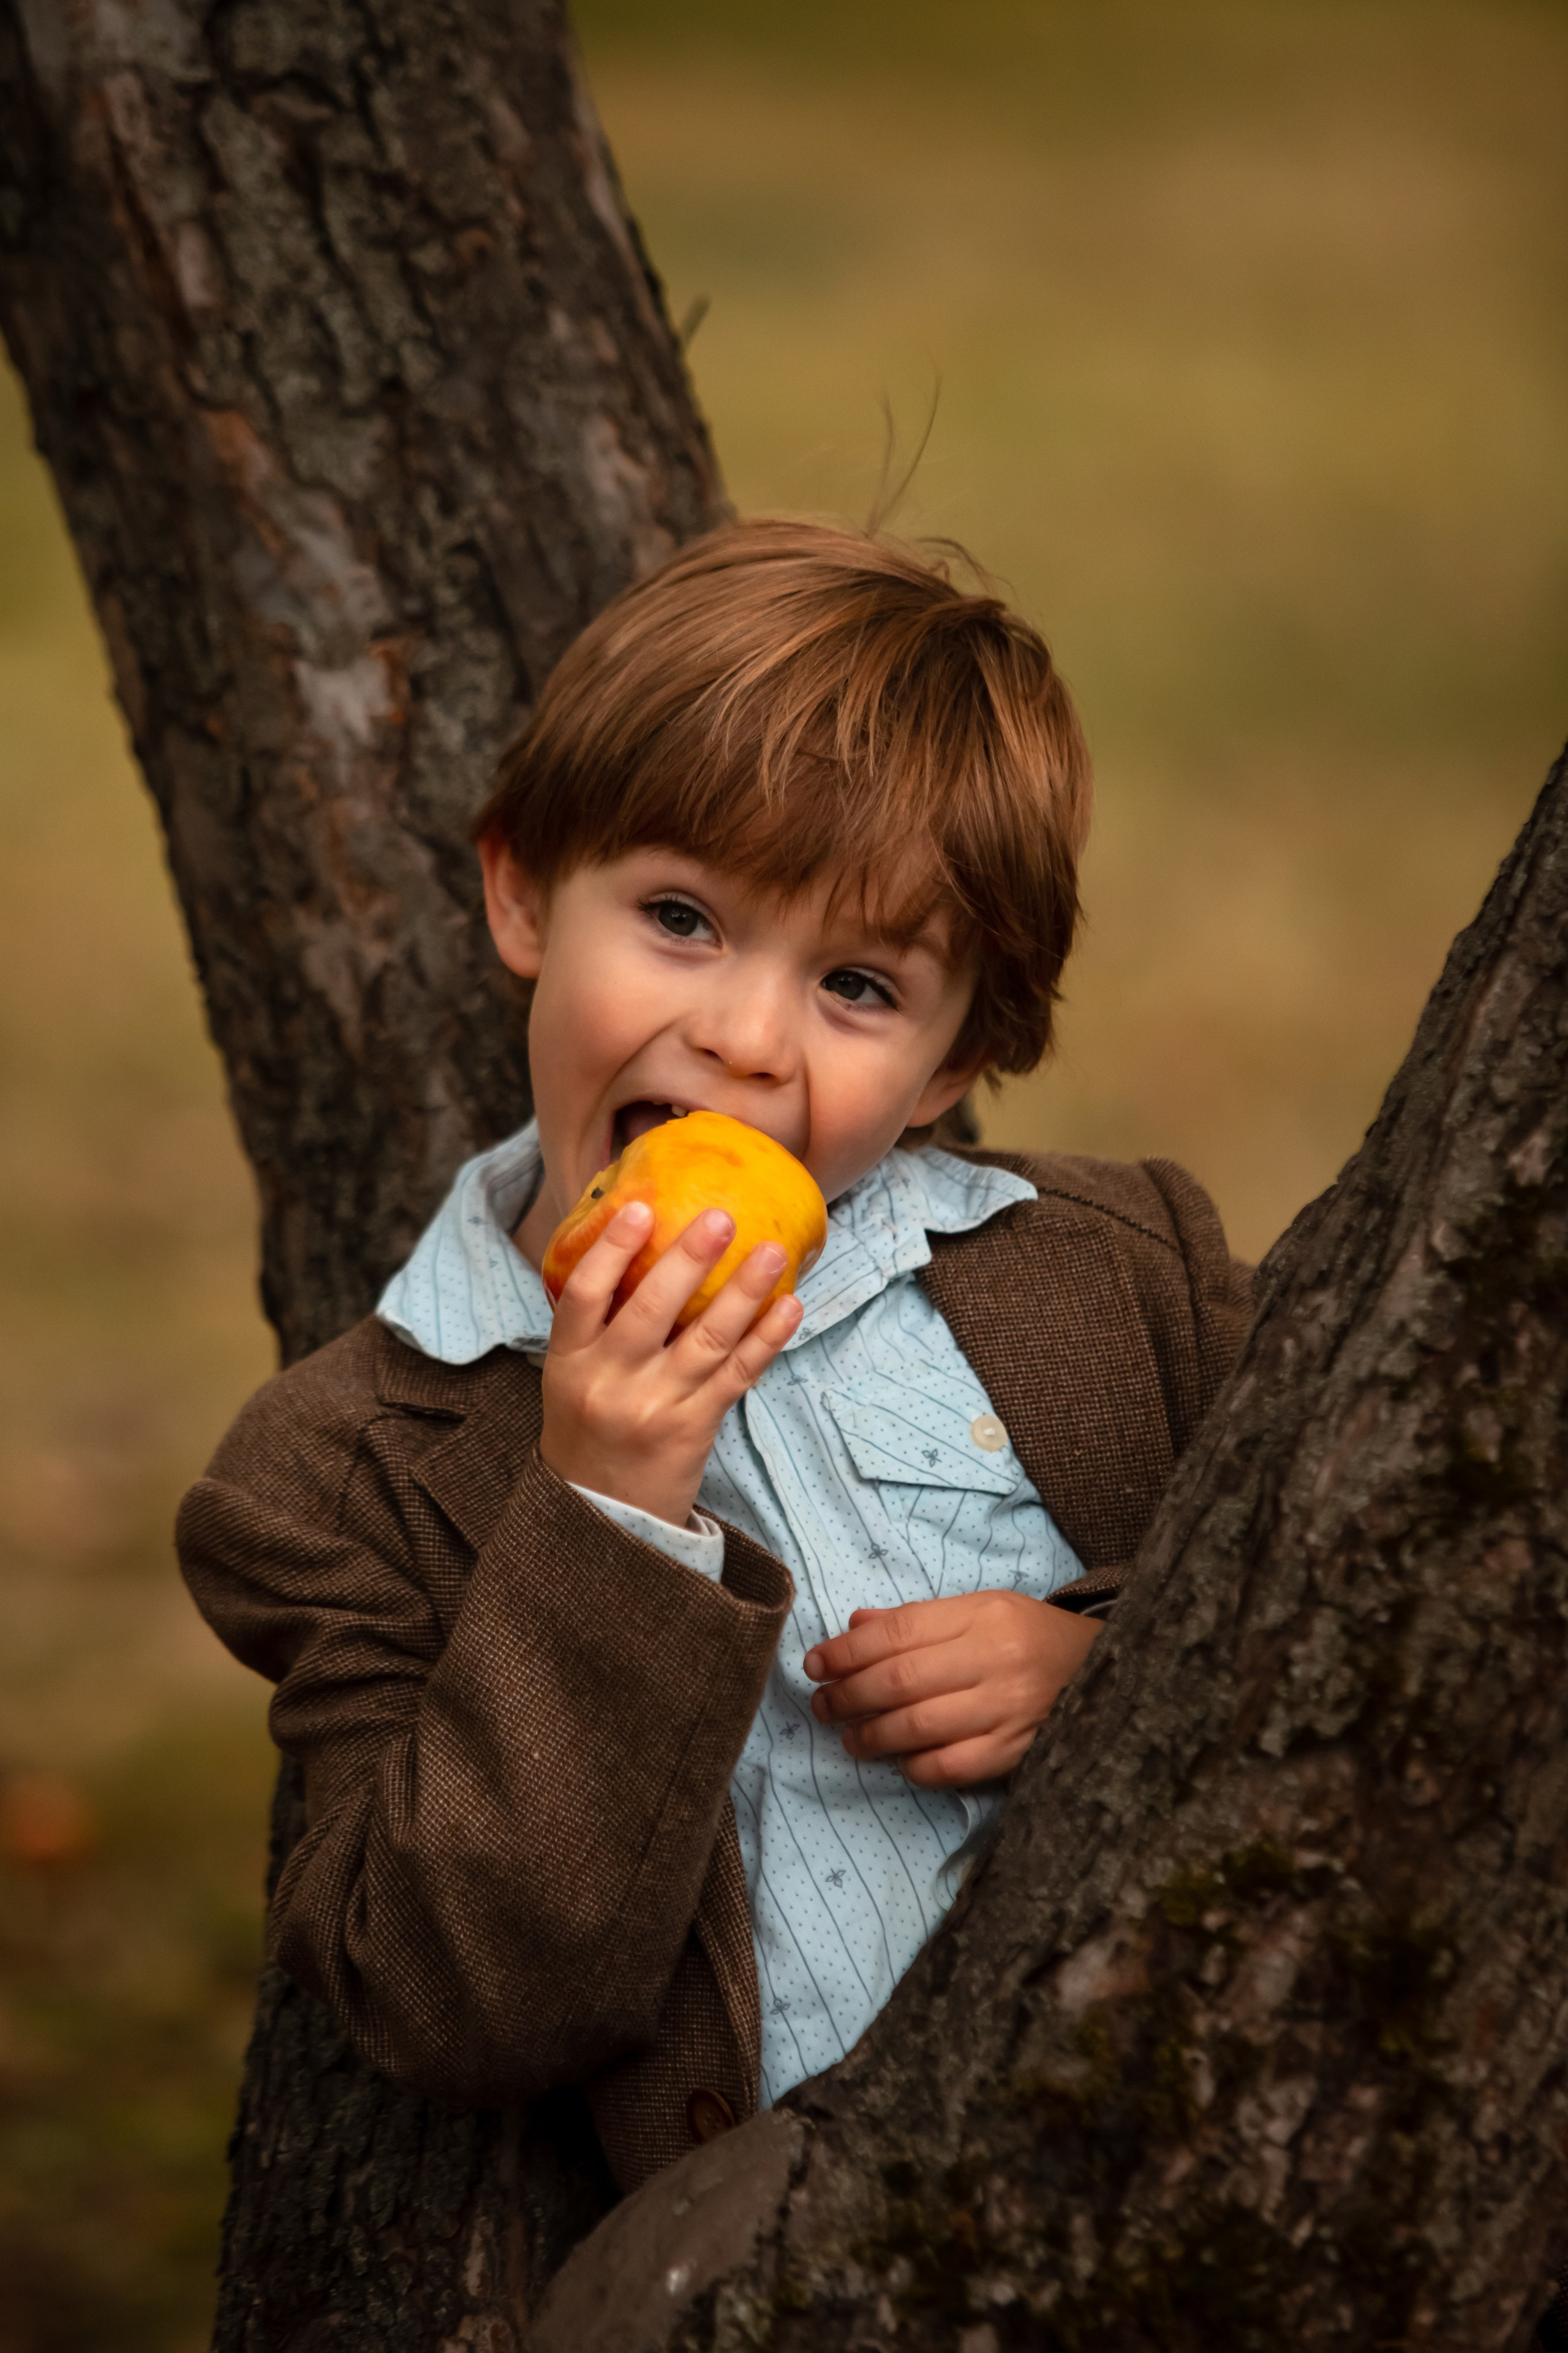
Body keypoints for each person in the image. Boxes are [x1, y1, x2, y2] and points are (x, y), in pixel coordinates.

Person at [177, 519, 1252, 2229]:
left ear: (956, 1051)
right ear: (525, 889)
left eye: (855, 983)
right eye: (682, 917)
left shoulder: (1124, 1274)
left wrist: (1108, 1661)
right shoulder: (331, 1474)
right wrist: (602, 1504)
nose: (749, 1037)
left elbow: (1347, 1593)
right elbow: (449, 1998)